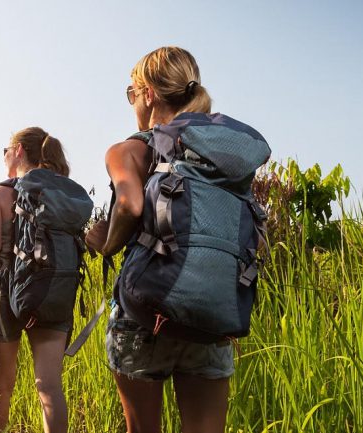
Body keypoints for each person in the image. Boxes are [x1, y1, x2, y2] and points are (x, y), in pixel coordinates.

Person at [85, 46, 235, 433]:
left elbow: (130, 204)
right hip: (209, 312)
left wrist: (106, 244)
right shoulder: (221, 153)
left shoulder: (129, 149)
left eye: (132, 93)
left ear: (148, 94)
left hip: (143, 315)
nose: (132, 102)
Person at [0, 127, 73, 433]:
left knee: (1, 385)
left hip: (3, 294)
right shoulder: (60, 197)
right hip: (51, 291)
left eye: (6, 150)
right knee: (50, 387)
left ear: (18, 151)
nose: (4, 156)